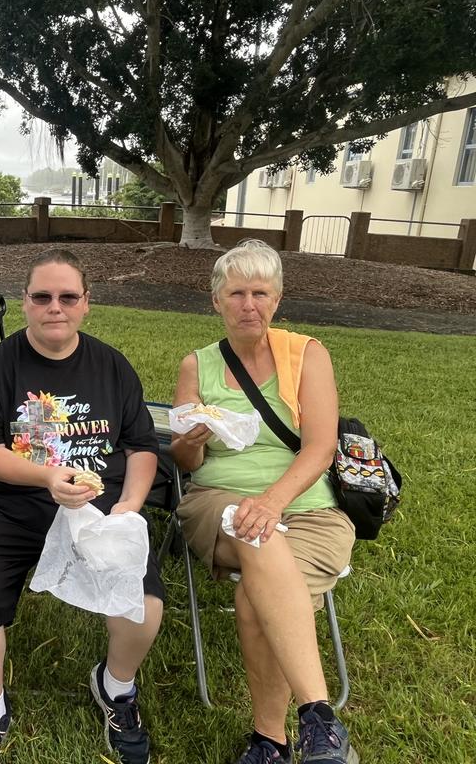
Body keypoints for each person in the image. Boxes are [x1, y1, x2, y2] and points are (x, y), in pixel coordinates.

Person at [0, 249, 164, 764]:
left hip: (102, 508)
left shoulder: (111, 365)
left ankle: (116, 688)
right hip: (11, 506)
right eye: (42, 296)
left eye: (68, 297)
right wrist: (48, 476)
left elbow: (141, 446)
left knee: (145, 605)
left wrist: (130, 506)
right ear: (24, 302)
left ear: (86, 303)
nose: (55, 307)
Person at [169, 240, 358, 764]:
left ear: (276, 300)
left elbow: (321, 447)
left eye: (260, 292)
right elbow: (184, 462)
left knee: (258, 591)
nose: (248, 304)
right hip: (218, 502)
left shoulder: (308, 354)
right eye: (236, 293)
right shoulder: (198, 365)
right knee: (253, 530)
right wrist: (193, 437)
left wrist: (273, 502)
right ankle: (321, 719)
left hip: (309, 509)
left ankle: (271, 741)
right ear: (216, 301)